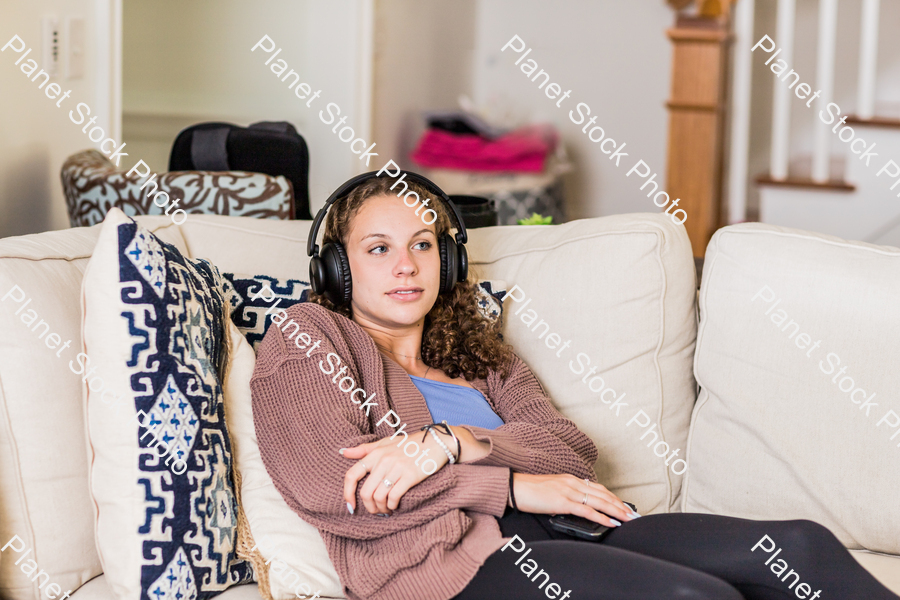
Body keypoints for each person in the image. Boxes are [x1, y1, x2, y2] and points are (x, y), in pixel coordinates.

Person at [249, 173, 899, 600]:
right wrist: (506, 484)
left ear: (446, 260)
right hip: (452, 569)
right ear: (338, 266)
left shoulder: (475, 346)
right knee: (695, 598)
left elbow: (567, 451)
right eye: (378, 249)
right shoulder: (311, 337)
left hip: (568, 521)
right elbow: (335, 486)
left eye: (423, 244)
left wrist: (459, 441)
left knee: (795, 548)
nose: (406, 266)